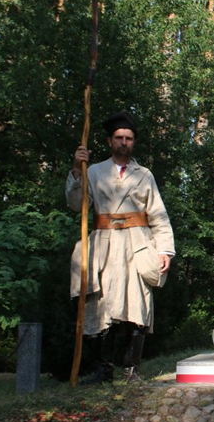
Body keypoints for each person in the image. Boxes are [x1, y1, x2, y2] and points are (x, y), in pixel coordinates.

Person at [67, 110, 175, 384]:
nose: (123, 142)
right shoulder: (93, 171)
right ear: (109, 141)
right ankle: (103, 372)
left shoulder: (144, 175)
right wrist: (76, 170)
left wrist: (164, 250)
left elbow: (158, 214)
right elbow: (77, 205)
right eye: (119, 138)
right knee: (100, 306)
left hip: (136, 245)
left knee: (136, 305)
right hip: (104, 245)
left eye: (128, 138)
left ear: (133, 142)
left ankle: (131, 371)